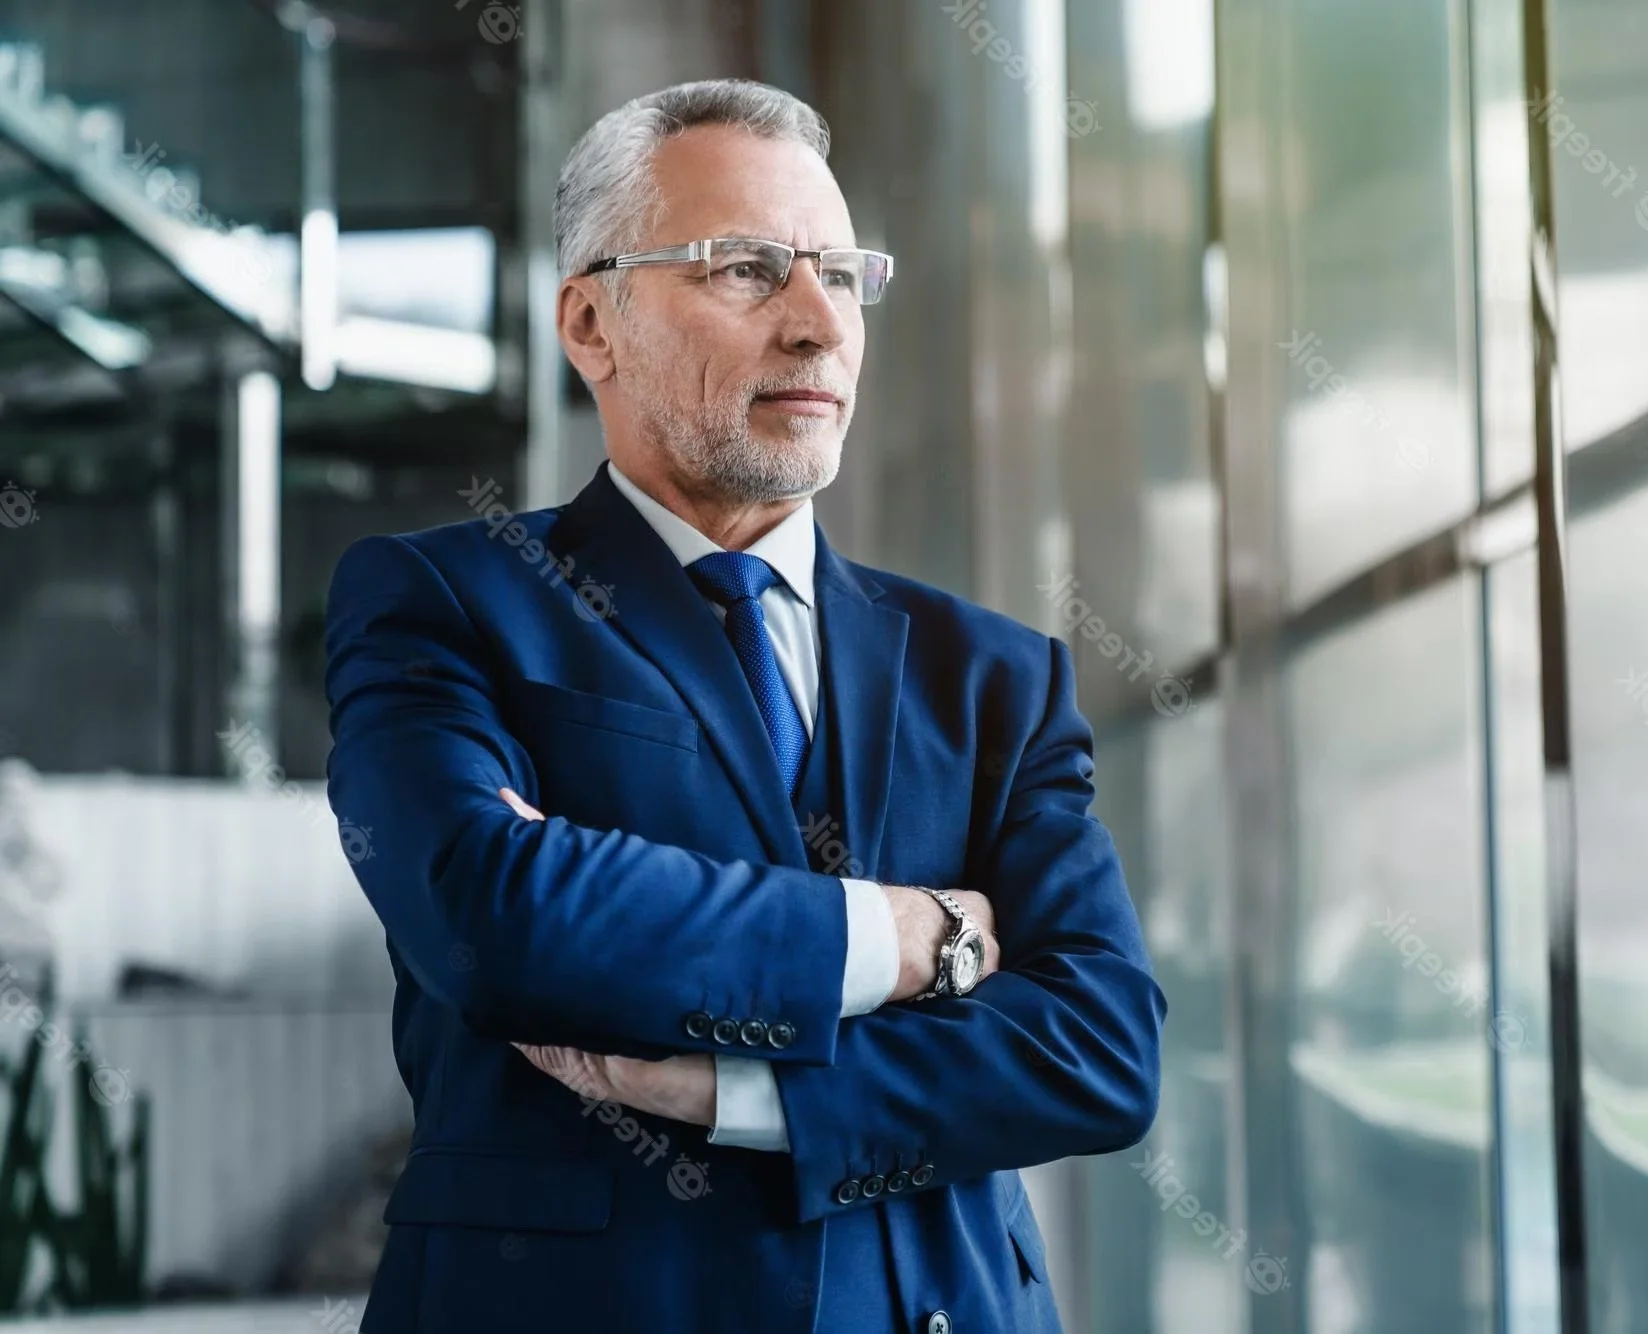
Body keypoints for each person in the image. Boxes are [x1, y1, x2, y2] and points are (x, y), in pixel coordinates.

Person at [322, 77, 1164, 1334]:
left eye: (841, 271)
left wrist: (742, 1093)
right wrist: (916, 937)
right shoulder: (449, 598)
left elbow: (1098, 1049)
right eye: (747, 269)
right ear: (592, 322)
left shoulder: (991, 674)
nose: (818, 323)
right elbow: (496, 918)